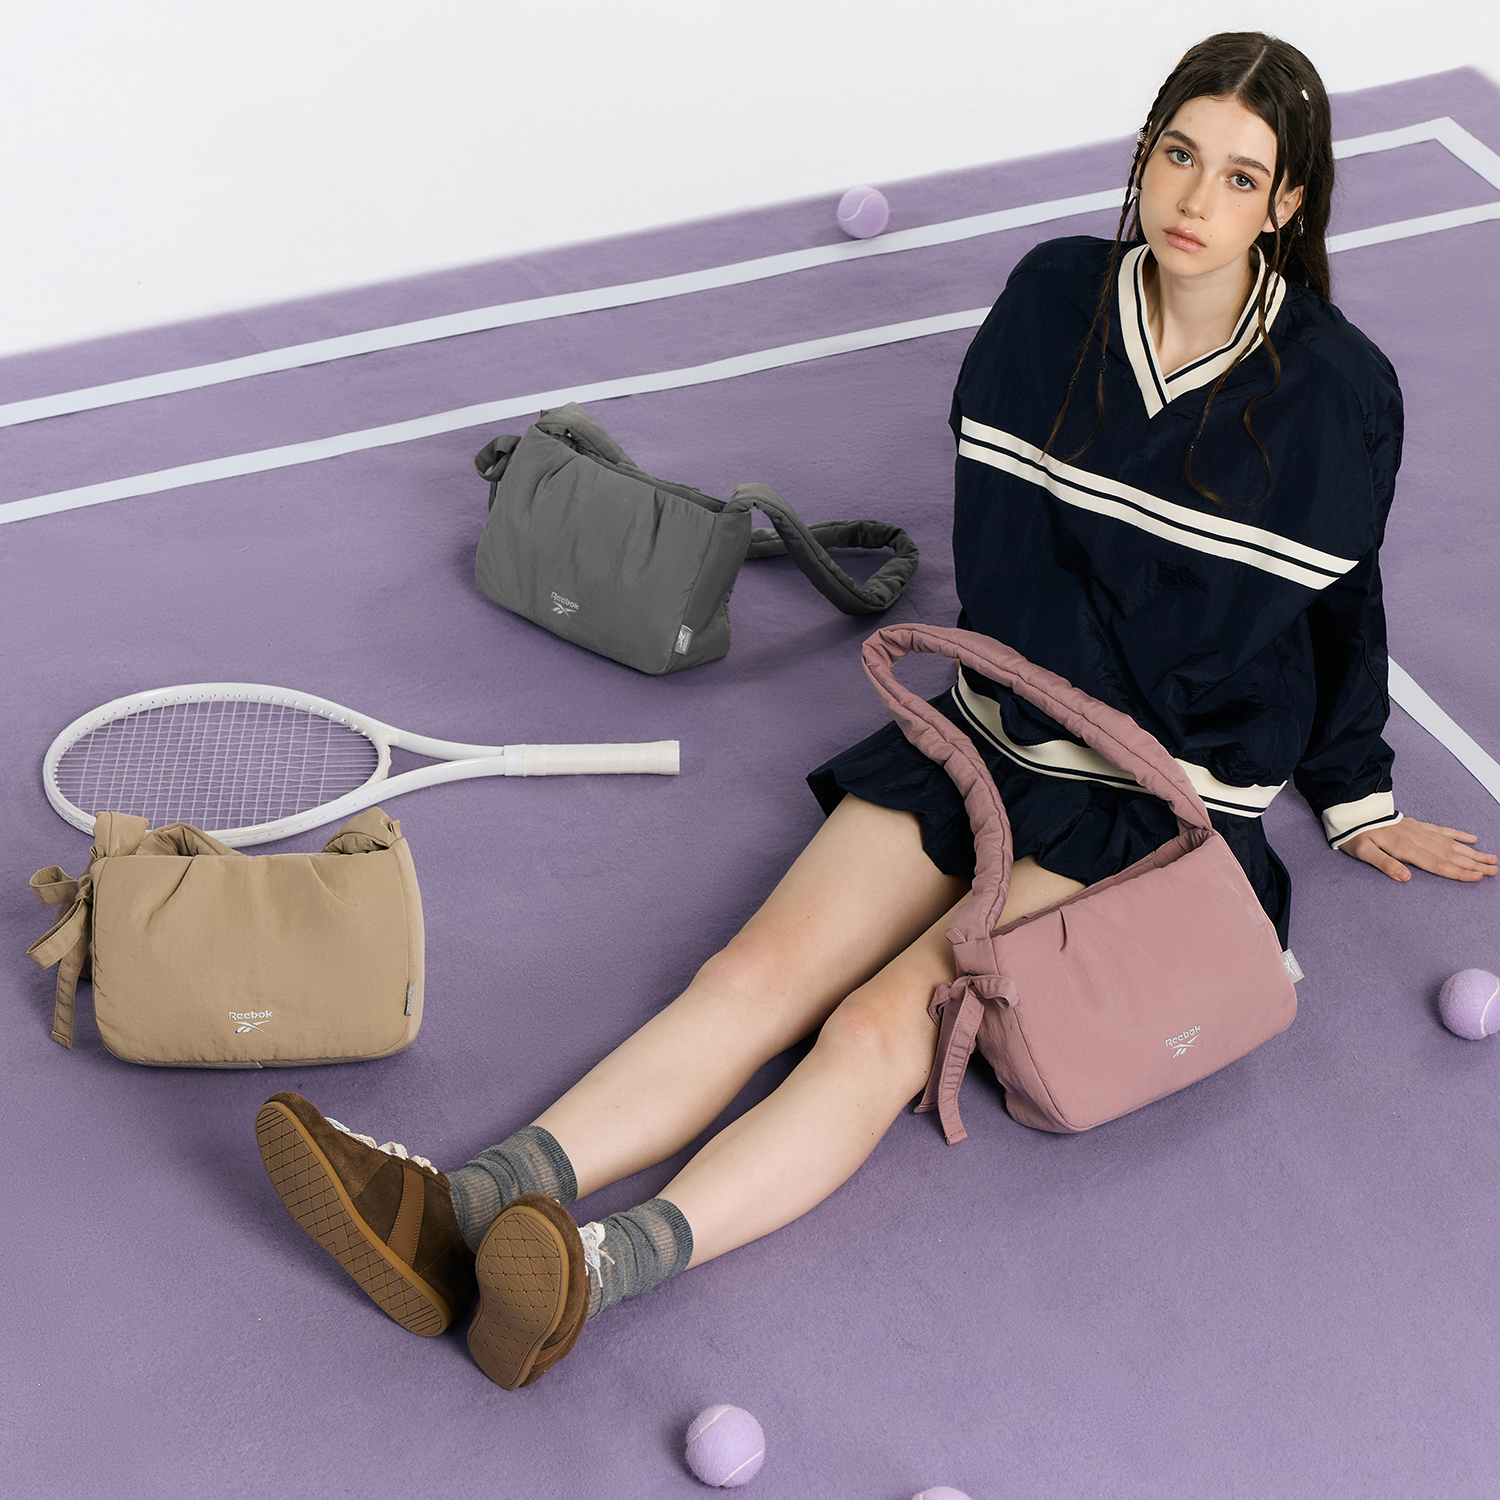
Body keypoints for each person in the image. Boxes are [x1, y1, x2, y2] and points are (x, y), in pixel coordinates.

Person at [254, 31, 1497, 1389]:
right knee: (750, 978)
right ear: (1144, 156)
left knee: (873, 1030)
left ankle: (589, 1275)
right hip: (986, 733)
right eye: (1179, 155)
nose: (1196, 199)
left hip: (1152, 795)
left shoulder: (1338, 394)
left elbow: (1340, 601)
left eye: (1241, 177)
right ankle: (460, 1205)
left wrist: (1357, 792)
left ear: (1289, 204)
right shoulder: (1052, 299)